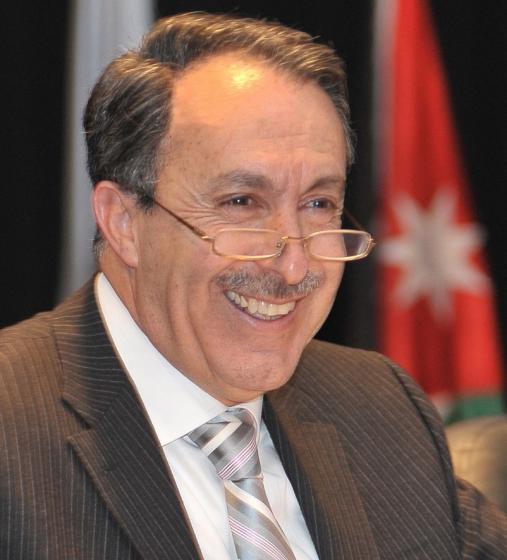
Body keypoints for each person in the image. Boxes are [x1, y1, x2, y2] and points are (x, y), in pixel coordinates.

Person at [1, 12, 505, 560]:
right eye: (241, 203)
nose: (293, 266)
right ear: (123, 223)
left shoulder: (378, 406)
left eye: (318, 203)